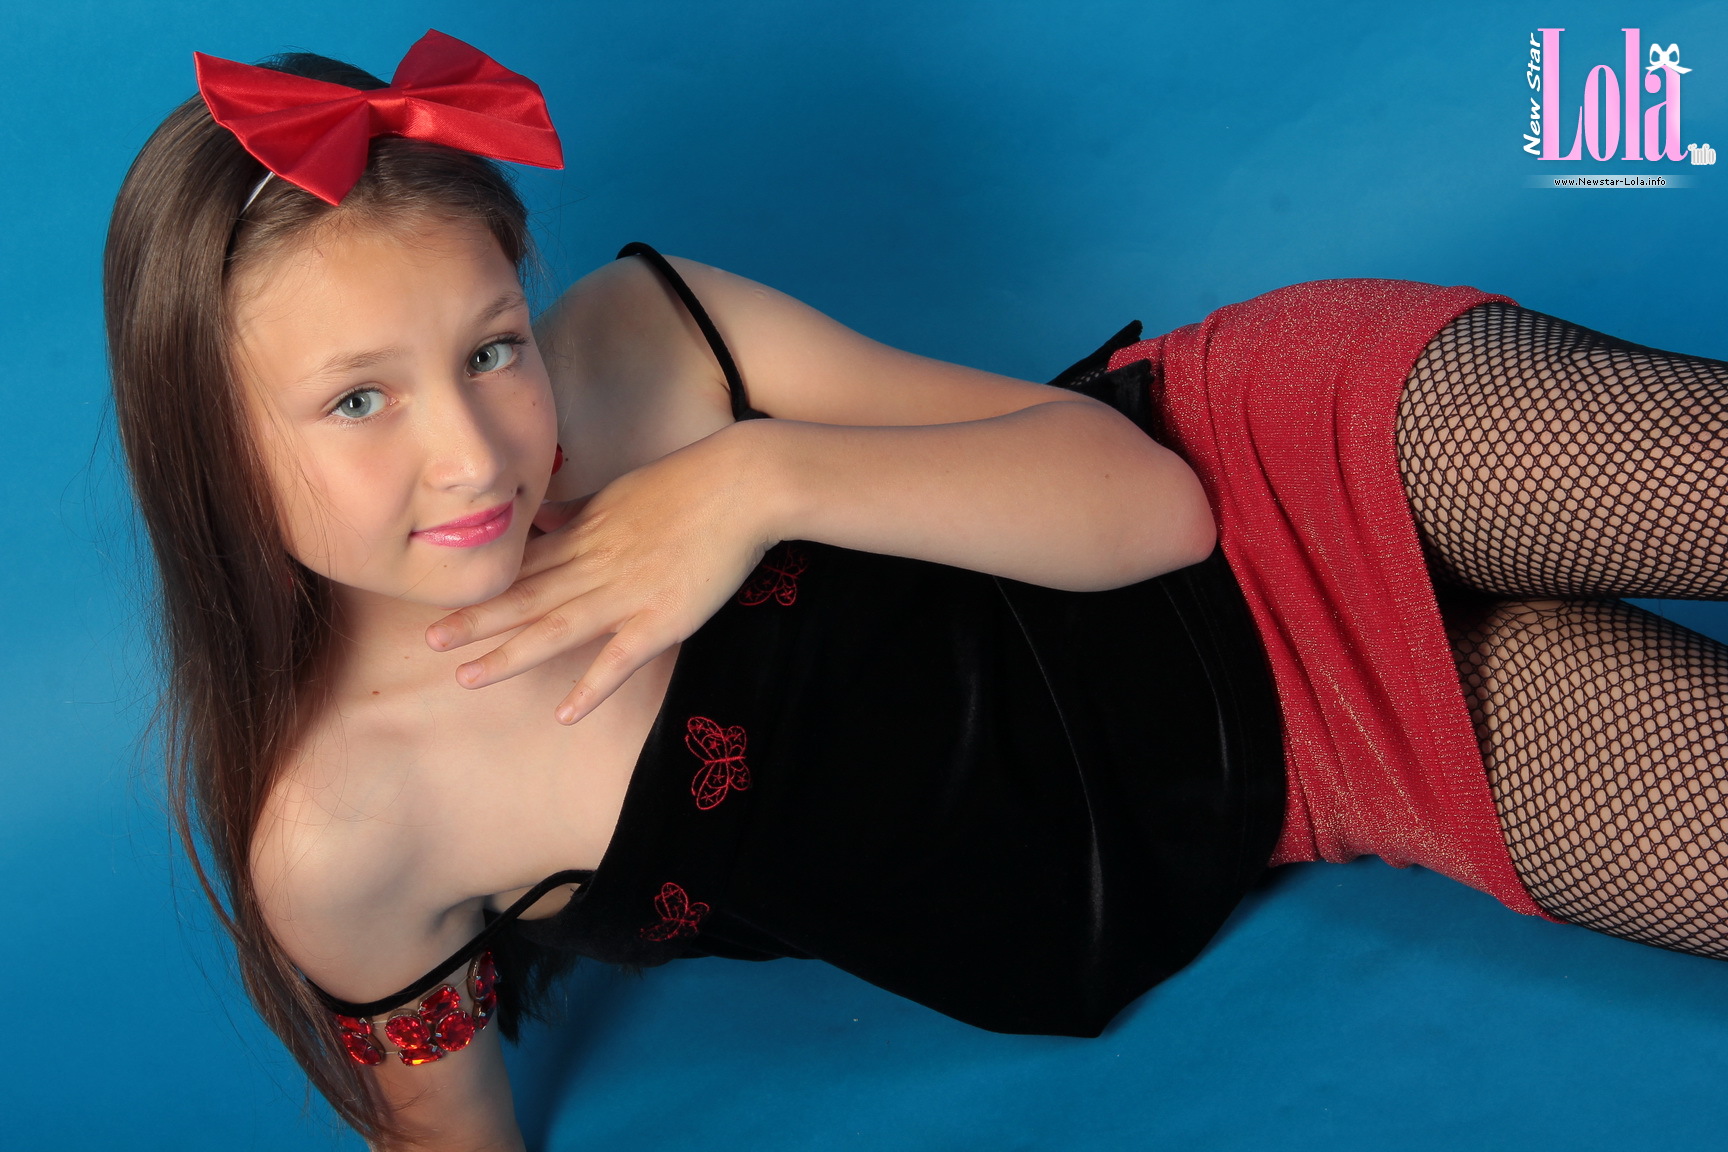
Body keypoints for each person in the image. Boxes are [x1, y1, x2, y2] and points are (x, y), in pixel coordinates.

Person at [103, 30, 1728, 1152]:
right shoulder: (349, 830)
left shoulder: (651, 345)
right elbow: (446, 1137)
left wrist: (754, 482)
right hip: (1321, 764)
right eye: (358, 400)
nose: (471, 455)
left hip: (1276, 447)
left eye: (490, 349)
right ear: (208, 450)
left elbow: (1154, 503)